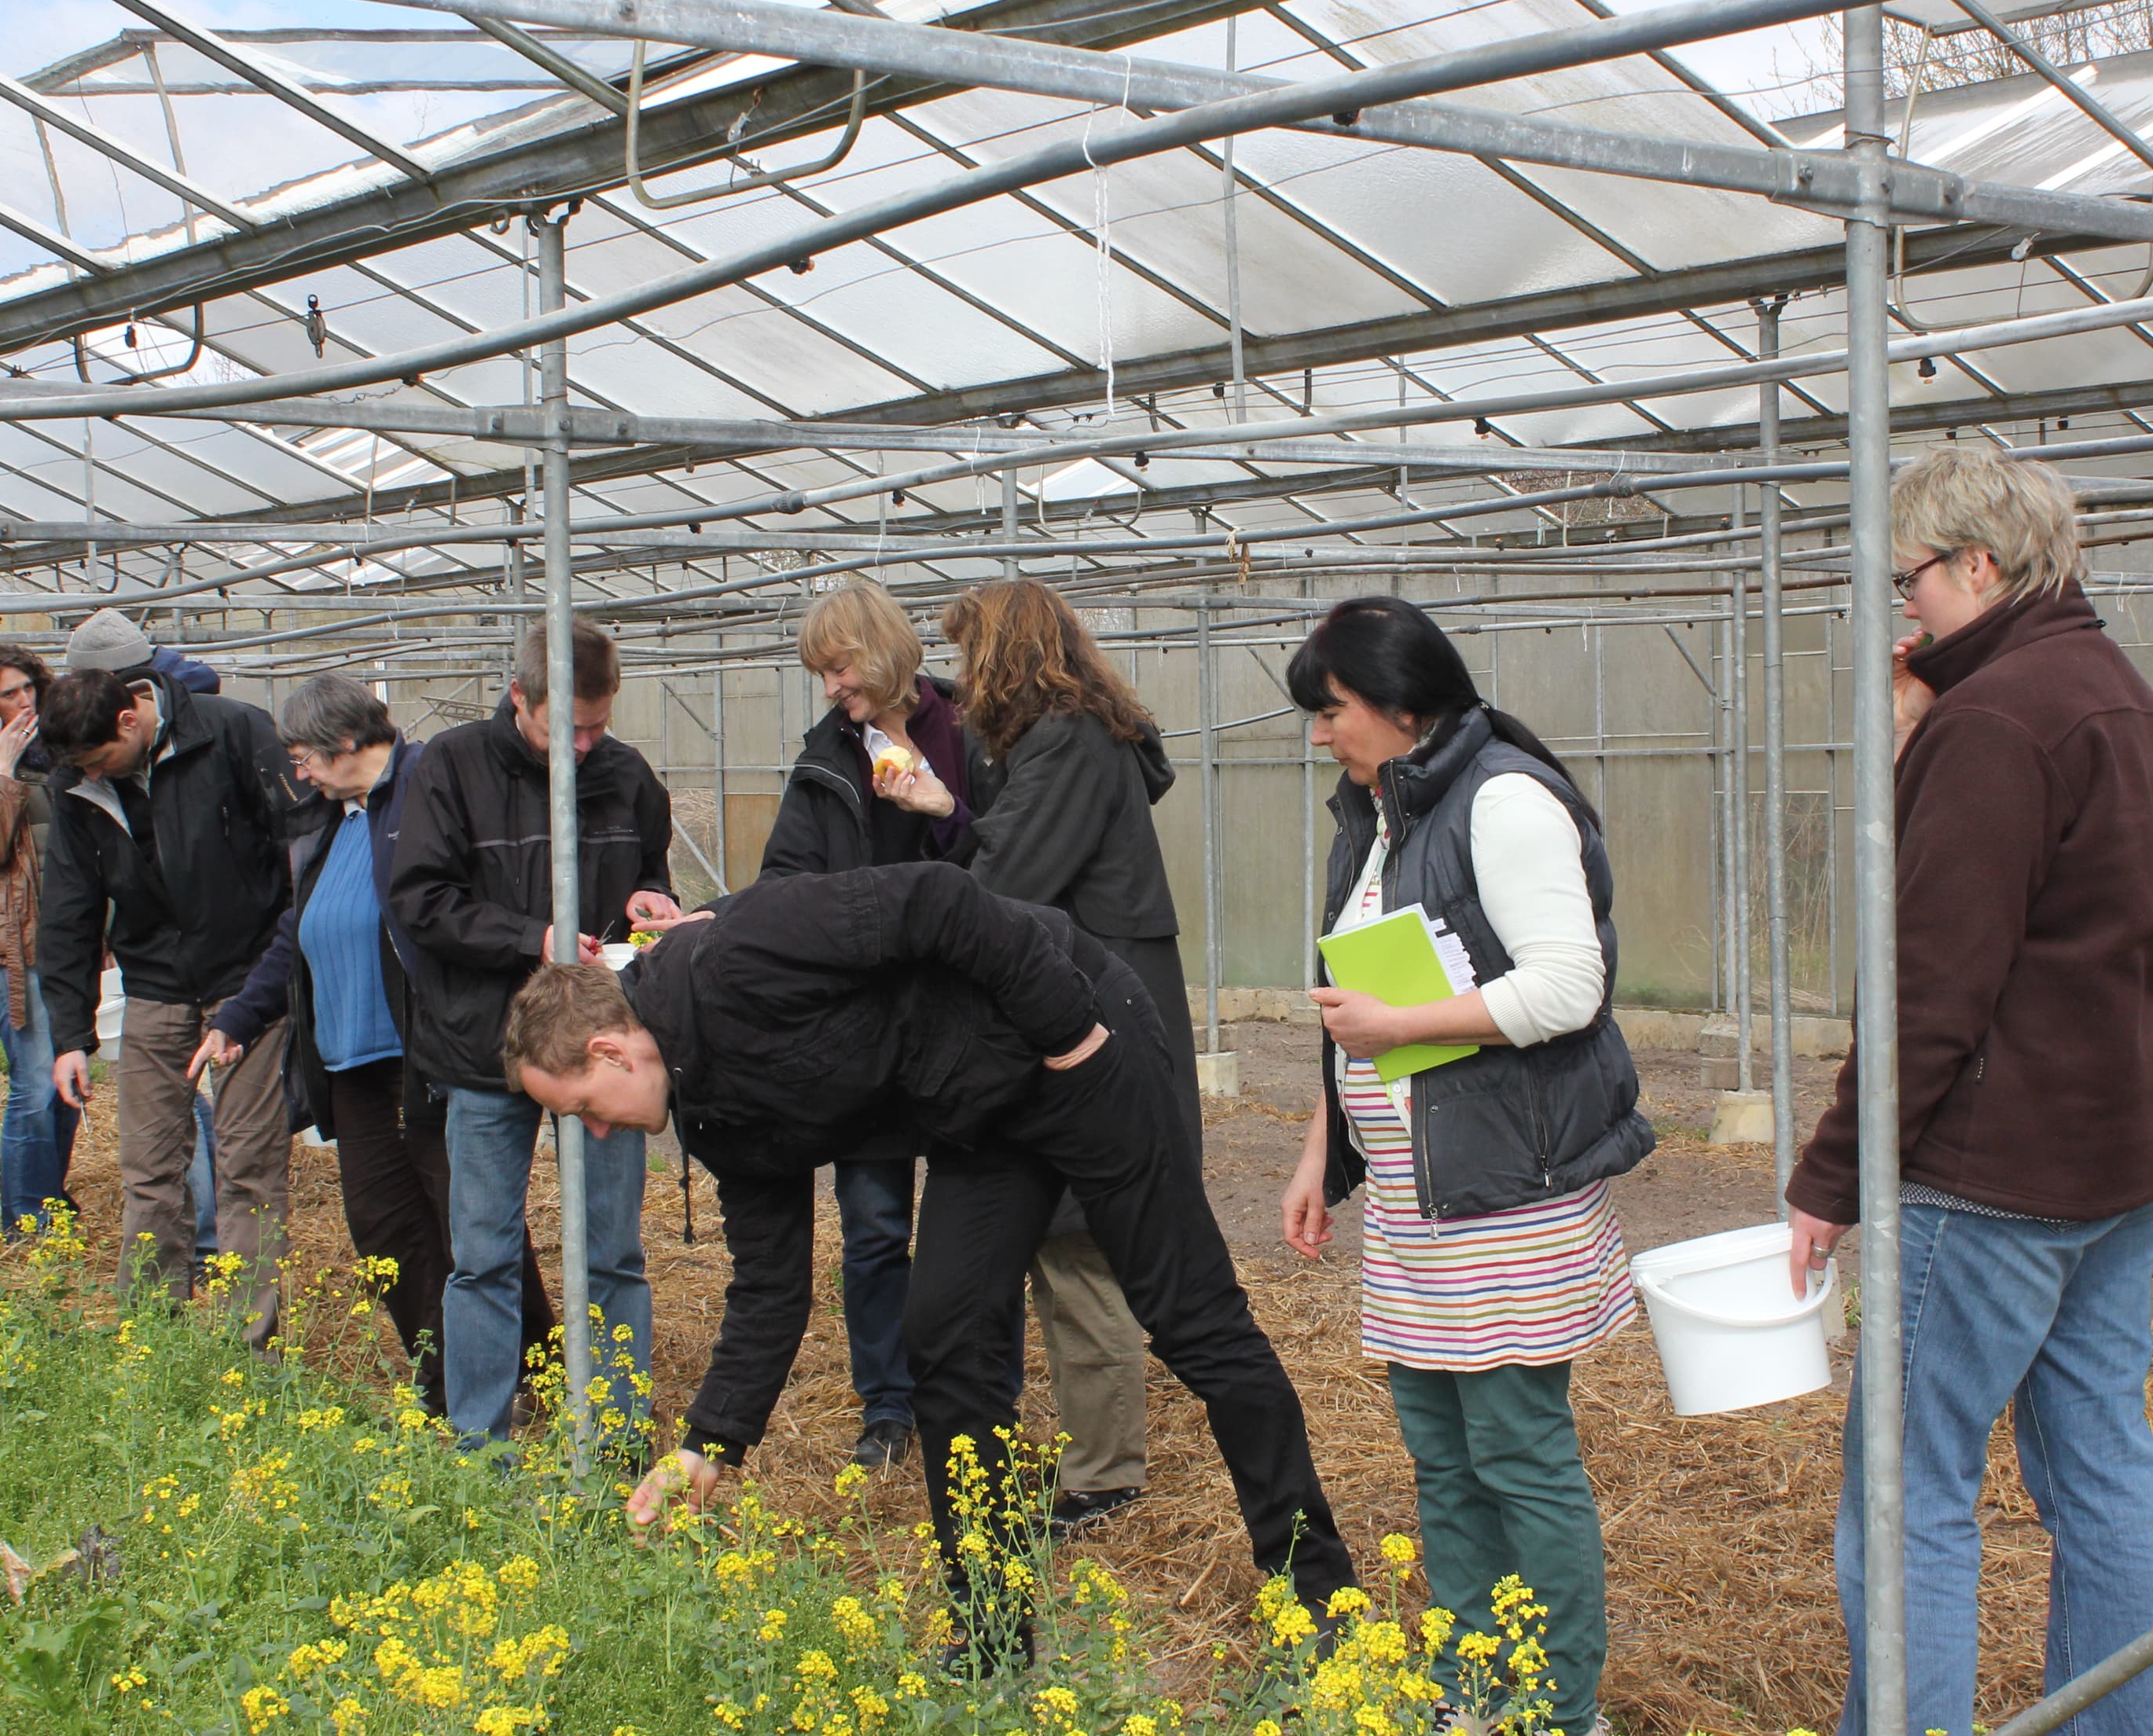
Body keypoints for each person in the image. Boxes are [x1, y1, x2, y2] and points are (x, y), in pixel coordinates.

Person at [501, 861, 1356, 1665]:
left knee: (1190, 1317)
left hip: (1075, 1034)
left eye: (582, 1110)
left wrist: (1069, 1032)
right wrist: (708, 1446)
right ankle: (989, 1635)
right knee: (945, 1340)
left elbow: (938, 900)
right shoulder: (716, 1115)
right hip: (980, 1108)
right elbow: (769, 1285)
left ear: (611, 1052)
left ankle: (1321, 1602)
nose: (599, 1132)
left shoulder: (739, 953)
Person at [1783, 447, 2153, 1736]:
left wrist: (1829, 1180)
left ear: (1980, 564)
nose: (1899, 613)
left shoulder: (1995, 724)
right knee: (2101, 1465)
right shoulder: (2113, 692)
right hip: (2120, 1156)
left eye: (1908, 581)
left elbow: (1932, 984)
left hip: (1998, 1173)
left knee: (1911, 1498)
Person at [1275, 596, 1651, 1736]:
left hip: (1505, 1200)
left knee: (1519, 1455)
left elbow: (1564, 988)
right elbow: (1356, 1001)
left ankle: (1559, 1715)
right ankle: (1470, 1687)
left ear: (1401, 704)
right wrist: (1319, 1152)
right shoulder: (1384, 815)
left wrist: (1394, 1028)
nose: (1321, 736)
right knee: (1445, 1458)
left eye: (1331, 712)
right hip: (1418, 1201)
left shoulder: (1503, 800)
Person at [186, 677, 554, 1415]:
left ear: (345, 741)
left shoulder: (423, 787)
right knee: (385, 1230)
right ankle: (448, 1383)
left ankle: (538, 1373)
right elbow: (299, 932)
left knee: (466, 1222)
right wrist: (239, 1019)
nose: (298, 772)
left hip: (430, 1051)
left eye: (303, 755)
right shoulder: (329, 824)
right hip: (351, 1063)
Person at [940, 578, 1194, 1538]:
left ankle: (1106, 1472)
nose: (963, 682)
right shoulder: (1069, 740)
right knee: (1068, 1244)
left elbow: (1005, 879)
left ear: (1003, 654)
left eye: (971, 658)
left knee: (1084, 1248)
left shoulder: (1070, 742)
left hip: (1098, 1024)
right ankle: (1096, 1452)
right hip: (1087, 1012)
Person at [389, 618, 675, 1447]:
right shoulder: (452, 767)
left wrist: (647, 903)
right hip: (485, 1051)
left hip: (596, 1048)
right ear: (521, 698)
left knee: (613, 1249)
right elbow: (420, 901)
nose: (586, 744)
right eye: (569, 727)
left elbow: (647, 868)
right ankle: (480, 1440)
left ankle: (617, 1433)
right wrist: (533, 938)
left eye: (600, 724)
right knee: (483, 1253)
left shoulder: (626, 777)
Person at [754, 577, 981, 1470]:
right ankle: (888, 1407)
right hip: (868, 1022)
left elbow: (1006, 855)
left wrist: (940, 813)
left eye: (838, 666)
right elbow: (786, 879)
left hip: (961, 1013)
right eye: (822, 672)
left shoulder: (968, 732)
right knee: (877, 1222)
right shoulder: (826, 756)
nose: (831, 686)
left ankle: (968, 1392)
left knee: (973, 1219)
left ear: (881, 653)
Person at [37, 612, 308, 1342]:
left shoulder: (234, 734)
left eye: (97, 759)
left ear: (132, 716)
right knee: (149, 1167)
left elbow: (299, 867)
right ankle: (154, 1340)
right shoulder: (75, 781)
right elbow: (67, 910)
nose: (88, 774)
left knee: (249, 1167)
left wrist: (269, 985)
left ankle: (249, 1350)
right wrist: (70, 1034)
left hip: (249, 984)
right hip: (155, 985)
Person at [0, 643, 72, 1235]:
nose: (26, 700)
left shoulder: (53, 758)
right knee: (33, 1082)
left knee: (66, 1076)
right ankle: (23, 1217)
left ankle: (47, 1198)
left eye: (31, 687)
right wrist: (2, 771)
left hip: (62, 938)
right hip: (11, 944)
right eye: (10, 692)